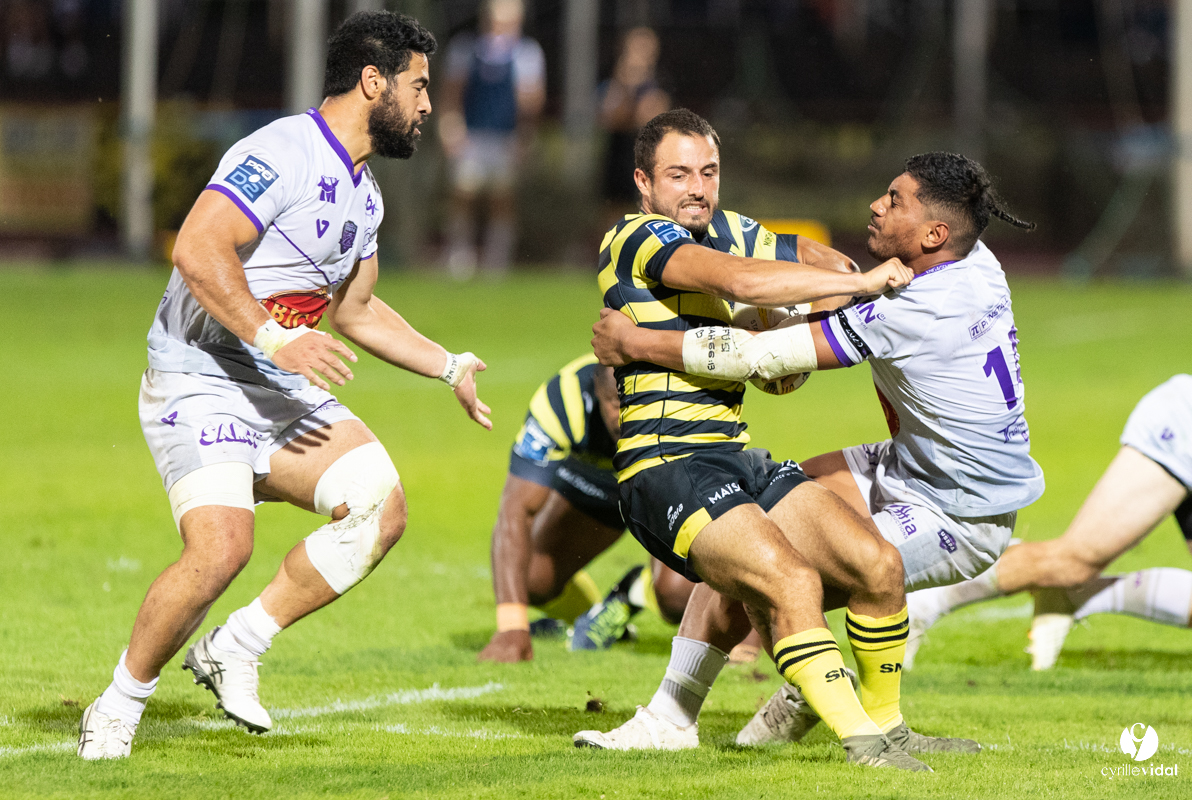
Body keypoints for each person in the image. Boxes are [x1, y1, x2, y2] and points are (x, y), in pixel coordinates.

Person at [77, 13, 491, 760]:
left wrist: (448, 365)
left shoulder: (366, 197)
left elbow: (356, 311)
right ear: (374, 81)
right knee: (221, 550)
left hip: (271, 377)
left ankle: (235, 646)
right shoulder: (282, 150)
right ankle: (117, 705)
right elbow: (199, 248)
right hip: (198, 374)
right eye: (419, 86)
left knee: (378, 505)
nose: (429, 105)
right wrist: (276, 337)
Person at [585, 150, 1041, 752]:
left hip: (960, 511)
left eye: (895, 200)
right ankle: (702, 711)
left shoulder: (910, 311)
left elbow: (754, 359)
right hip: (915, 461)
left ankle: (785, 705)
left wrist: (633, 339)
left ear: (934, 233)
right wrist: (832, 278)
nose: (877, 205)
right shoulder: (976, 261)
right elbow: (813, 274)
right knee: (753, 522)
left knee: (774, 569)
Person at [571, 108, 936, 772]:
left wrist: (821, 289)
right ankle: (866, 748)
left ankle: (885, 727)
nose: (697, 188)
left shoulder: (729, 229)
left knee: (877, 564)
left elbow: (809, 254)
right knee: (790, 581)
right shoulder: (634, 236)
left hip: (734, 455)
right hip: (664, 467)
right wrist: (856, 285)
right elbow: (738, 281)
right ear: (643, 183)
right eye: (679, 174)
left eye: (709, 172)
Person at [905, 374, 1192, 671]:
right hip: (1186, 429)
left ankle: (1073, 595)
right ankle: (920, 604)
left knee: (1072, 568)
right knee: (1071, 561)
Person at [478, 354, 696, 662]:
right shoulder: (563, 399)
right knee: (530, 580)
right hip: (597, 482)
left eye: (636, 402)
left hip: (662, 479)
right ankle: (597, 615)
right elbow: (515, 510)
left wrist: (749, 641)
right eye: (616, 404)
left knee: (674, 597)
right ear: (597, 390)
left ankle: (635, 590)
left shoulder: (680, 405)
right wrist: (511, 627)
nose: (626, 417)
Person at [439, 0, 545, 278]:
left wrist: (525, 136)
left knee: (502, 199)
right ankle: (459, 256)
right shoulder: (466, 49)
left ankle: (497, 259)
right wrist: (450, 126)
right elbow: (453, 92)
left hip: (506, 137)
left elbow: (531, 101)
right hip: (472, 135)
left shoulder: (526, 54)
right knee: (464, 194)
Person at [599, 27, 670, 225]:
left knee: (649, 211)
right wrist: (626, 85)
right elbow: (610, 118)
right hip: (619, 154)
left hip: (649, 157)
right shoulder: (614, 83)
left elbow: (648, 119)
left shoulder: (659, 83)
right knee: (614, 212)